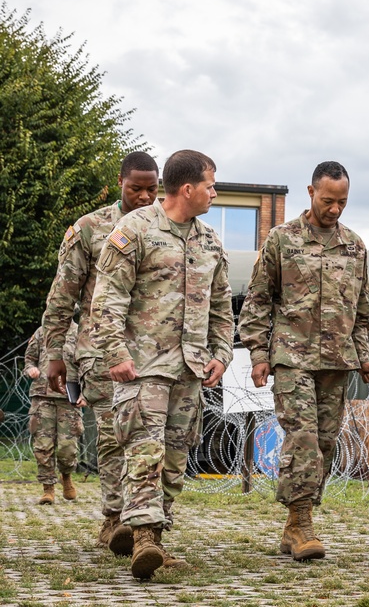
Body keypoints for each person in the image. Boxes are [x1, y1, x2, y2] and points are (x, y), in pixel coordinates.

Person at [90, 149, 233, 579]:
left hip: (189, 371)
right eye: (210, 184)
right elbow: (107, 300)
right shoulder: (133, 230)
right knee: (144, 453)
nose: (214, 192)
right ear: (187, 188)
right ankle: (145, 538)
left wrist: (222, 355)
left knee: (173, 459)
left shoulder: (209, 241)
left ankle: (154, 532)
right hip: (143, 366)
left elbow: (222, 308)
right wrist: (115, 354)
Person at [238, 161, 369, 562]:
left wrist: (363, 358)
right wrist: (259, 355)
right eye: (328, 200)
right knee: (302, 439)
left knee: (325, 444)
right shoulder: (282, 240)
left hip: (337, 363)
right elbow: (258, 300)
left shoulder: (355, 245)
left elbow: (362, 311)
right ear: (310, 192)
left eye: (342, 202)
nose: (334, 209)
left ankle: (293, 524)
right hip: (292, 357)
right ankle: (302, 523)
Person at [42, 151, 159, 555]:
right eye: (135, 188)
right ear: (121, 183)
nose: (144, 196)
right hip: (100, 351)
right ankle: (114, 519)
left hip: (152, 353)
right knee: (113, 435)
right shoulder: (91, 228)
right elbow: (62, 296)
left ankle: (142, 521)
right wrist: (54, 352)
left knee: (147, 439)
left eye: (151, 189)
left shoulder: (168, 227)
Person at [24, 322, 83, 505]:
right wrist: (31, 369)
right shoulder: (42, 331)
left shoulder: (79, 332)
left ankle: (66, 477)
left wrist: (86, 391)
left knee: (68, 446)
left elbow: (86, 364)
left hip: (69, 395)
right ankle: (48, 489)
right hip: (42, 395)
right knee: (43, 445)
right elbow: (29, 358)